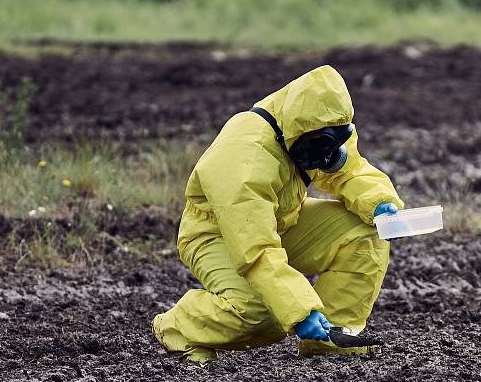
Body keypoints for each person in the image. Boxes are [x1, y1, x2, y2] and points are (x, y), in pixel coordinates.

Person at [152, 65, 404, 362]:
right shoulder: (244, 159)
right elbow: (256, 249)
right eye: (322, 148)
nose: (326, 155)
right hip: (218, 234)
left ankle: (331, 338)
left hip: (280, 221)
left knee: (364, 232)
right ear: (302, 134)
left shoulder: (321, 123)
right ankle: (179, 326)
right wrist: (300, 310)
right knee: (267, 313)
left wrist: (379, 202)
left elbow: (345, 169)